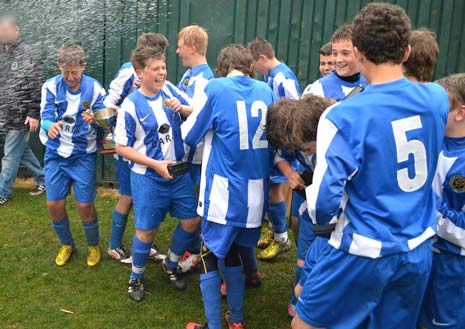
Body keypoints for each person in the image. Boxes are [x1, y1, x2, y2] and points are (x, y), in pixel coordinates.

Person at [292, 3, 450, 329]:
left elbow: (322, 204)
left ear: (359, 52)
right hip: (418, 245)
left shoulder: (342, 115)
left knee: (304, 324)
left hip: (364, 248)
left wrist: (324, 222)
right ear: (406, 51)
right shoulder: (436, 97)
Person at [183, 44, 275, 329]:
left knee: (209, 253)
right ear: (249, 66)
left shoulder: (216, 87)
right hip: (257, 192)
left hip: (224, 191)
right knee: (233, 251)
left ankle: (213, 325)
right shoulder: (266, 91)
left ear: (223, 68)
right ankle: (236, 320)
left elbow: (191, 135)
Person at [114, 45, 200, 302]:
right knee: (147, 231)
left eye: (163, 67)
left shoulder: (171, 90)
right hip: (148, 177)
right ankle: (136, 277)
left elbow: (197, 111)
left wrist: (183, 109)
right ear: (140, 73)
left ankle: (171, 264)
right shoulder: (130, 105)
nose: (162, 72)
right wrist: (154, 164)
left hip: (178, 173)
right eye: (156, 69)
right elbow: (120, 147)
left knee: (192, 221)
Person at [104, 32, 170, 264]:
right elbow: (108, 103)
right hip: (129, 146)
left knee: (145, 197)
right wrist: (120, 122)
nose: (161, 64)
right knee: (128, 196)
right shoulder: (126, 71)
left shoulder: (156, 77)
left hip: (148, 146)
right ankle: (114, 245)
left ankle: (145, 242)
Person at [267, 95, 335, 318]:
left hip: (335, 215)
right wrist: (290, 174)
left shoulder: (335, 143)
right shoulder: (293, 138)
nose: (298, 149)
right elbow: (281, 156)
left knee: (327, 264)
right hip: (311, 207)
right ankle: (299, 301)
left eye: (303, 146)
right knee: (304, 260)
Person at [40, 44, 105, 267]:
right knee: (54, 204)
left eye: (74, 71)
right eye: (65, 71)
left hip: (82, 156)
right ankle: (67, 243)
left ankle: (93, 245)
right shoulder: (49, 86)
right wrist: (50, 126)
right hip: (55, 155)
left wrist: (94, 119)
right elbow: (45, 115)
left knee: (85, 205)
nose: (69, 76)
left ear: (83, 67)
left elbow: (106, 118)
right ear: (59, 66)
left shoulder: (94, 88)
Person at [418, 73, 465, 329]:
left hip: (453, 263)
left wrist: (422, 202)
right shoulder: (432, 140)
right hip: (424, 253)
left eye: (440, 105)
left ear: (460, 113)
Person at [248, 36, 300, 261]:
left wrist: (284, 145)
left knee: (274, 191)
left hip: (282, 146)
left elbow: (295, 112)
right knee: (270, 190)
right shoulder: (273, 75)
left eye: (254, 63)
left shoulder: (281, 78)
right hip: (275, 144)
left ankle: (281, 238)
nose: (254, 69)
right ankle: (275, 230)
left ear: (261, 58)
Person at [175, 24, 215, 273]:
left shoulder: (206, 79)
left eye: (180, 46)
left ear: (192, 47)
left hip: (198, 156)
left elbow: (202, 115)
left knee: (196, 208)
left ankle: (195, 255)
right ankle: (192, 251)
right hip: (186, 155)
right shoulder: (189, 74)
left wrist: (180, 109)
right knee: (190, 208)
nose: (177, 51)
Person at [0, 15, 45, 206]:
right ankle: (44, 180)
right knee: (21, 150)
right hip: (5, 114)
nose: (3, 34)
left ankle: (3, 192)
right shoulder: (1, 53)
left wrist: (34, 113)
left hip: (21, 116)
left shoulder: (27, 54)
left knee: (10, 155)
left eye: (6, 30)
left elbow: (36, 85)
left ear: (16, 30)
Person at [302, 24, 366, 100]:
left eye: (345, 53)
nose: (338, 59)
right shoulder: (318, 89)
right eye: (334, 53)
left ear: (359, 52)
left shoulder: (372, 83)